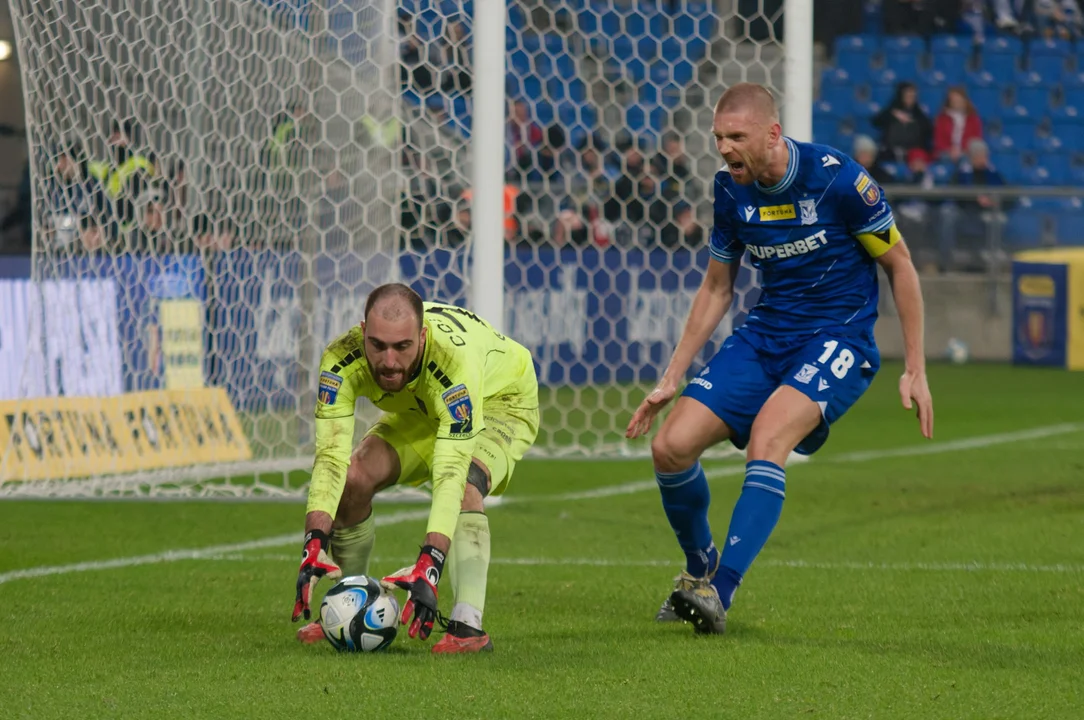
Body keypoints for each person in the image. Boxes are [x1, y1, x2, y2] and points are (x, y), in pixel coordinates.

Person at [625, 83, 934, 634]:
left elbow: (901, 266)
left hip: (837, 338)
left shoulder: (840, 180)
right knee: (669, 447)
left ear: (772, 134)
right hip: (767, 335)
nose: (724, 148)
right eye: (718, 137)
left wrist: (915, 367)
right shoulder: (730, 190)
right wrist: (673, 375)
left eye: (736, 136)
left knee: (769, 438)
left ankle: (721, 592)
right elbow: (717, 287)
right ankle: (699, 572)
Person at [291, 283, 540, 653]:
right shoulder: (340, 359)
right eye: (378, 345)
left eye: (402, 347)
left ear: (421, 338)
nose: (389, 361)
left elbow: (450, 475)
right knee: (354, 478)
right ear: (363, 333)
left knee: (466, 485)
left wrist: (430, 563)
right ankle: (349, 603)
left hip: (500, 400)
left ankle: (467, 627)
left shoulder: (454, 364)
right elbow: (330, 457)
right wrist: (313, 543)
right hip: (423, 409)